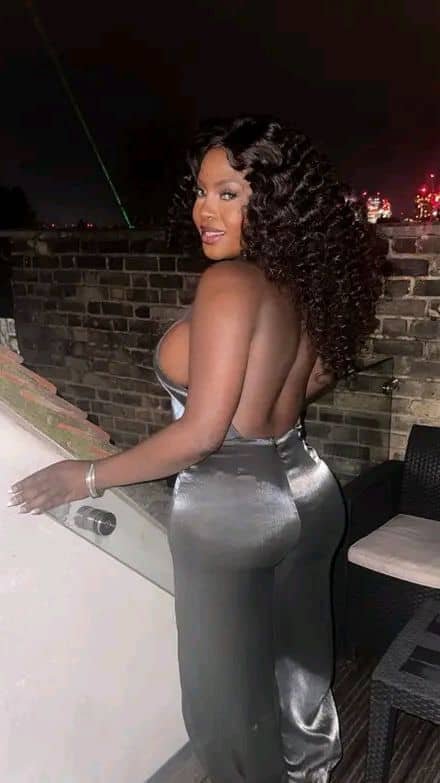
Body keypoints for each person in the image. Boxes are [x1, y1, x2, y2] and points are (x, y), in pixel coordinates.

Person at [8, 116, 382, 782]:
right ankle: (313, 771)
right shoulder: (305, 280)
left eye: (228, 194)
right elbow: (315, 377)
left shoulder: (230, 284)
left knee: (225, 707)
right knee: (298, 665)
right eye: (202, 192)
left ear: (273, 201)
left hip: (233, 507)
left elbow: (202, 433)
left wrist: (87, 474)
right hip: (308, 484)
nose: (204, 210)